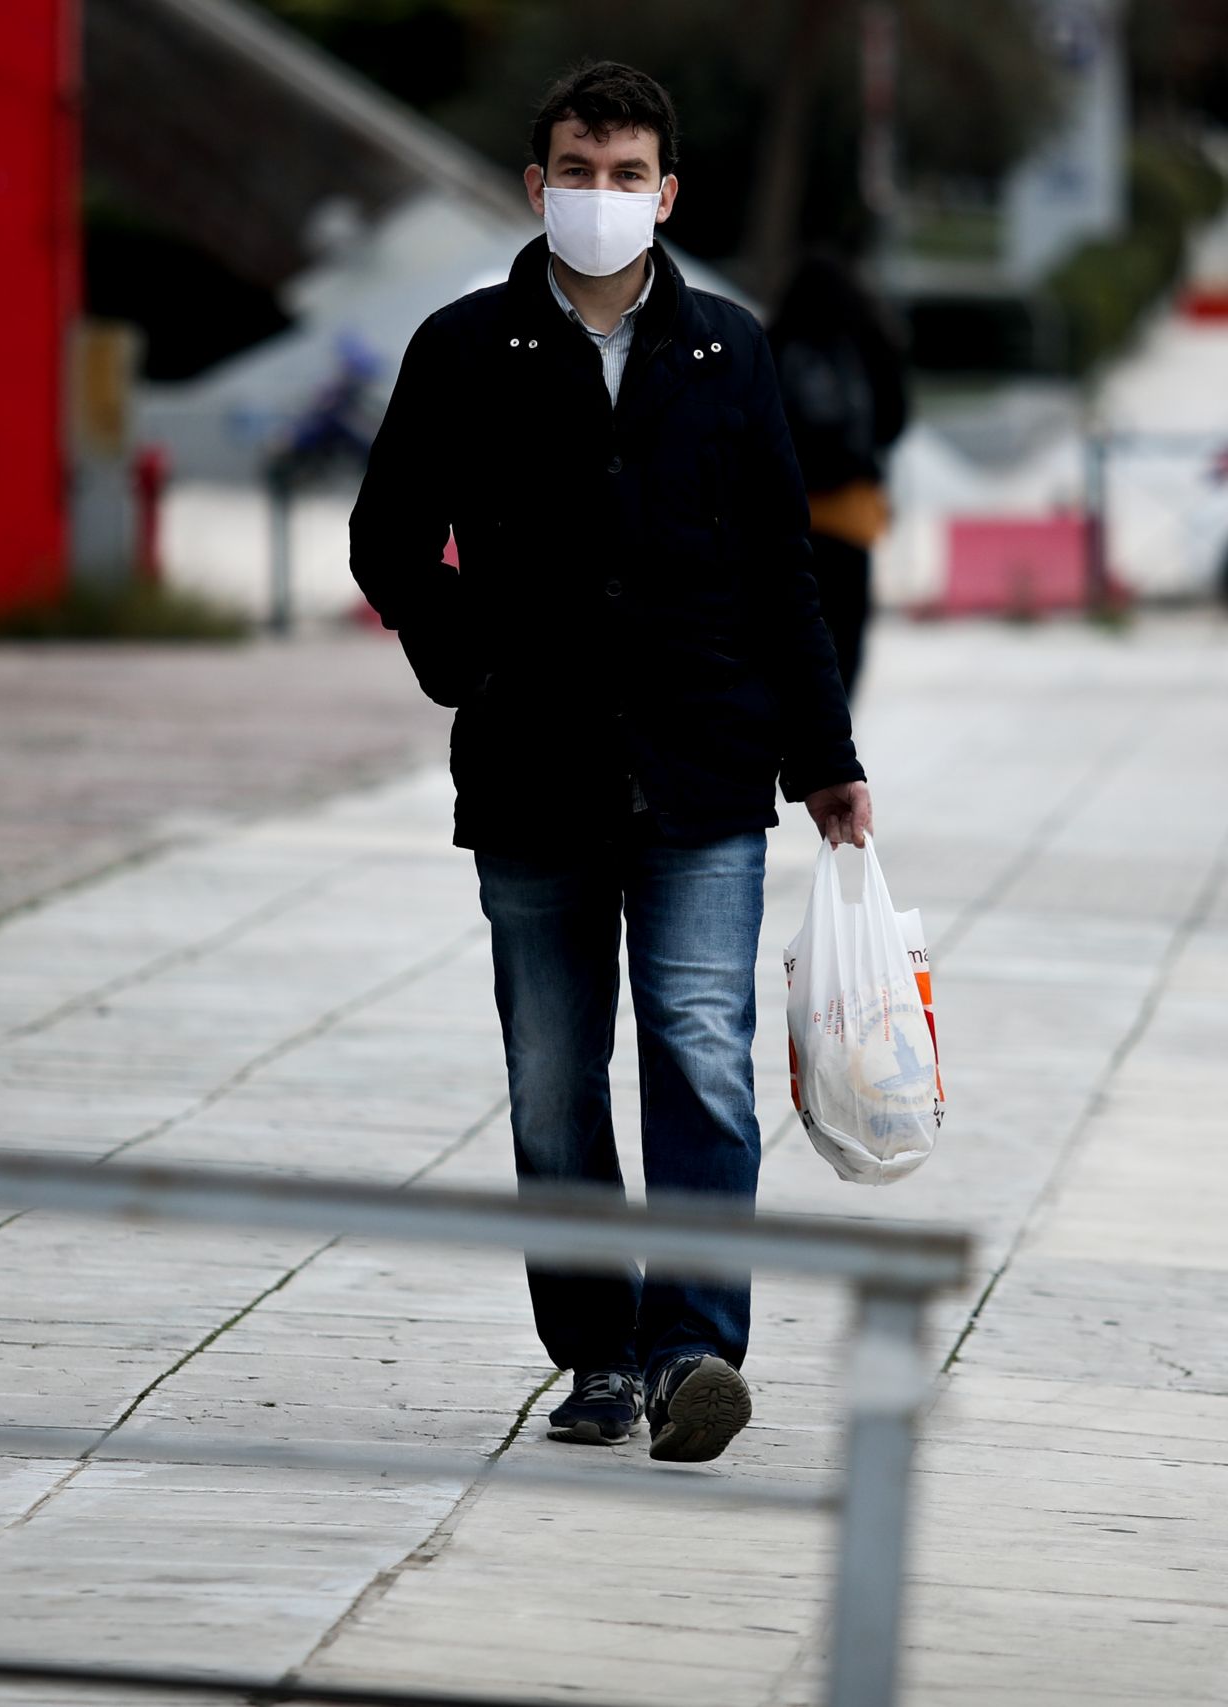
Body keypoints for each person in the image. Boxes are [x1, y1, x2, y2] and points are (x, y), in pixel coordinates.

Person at [349, 61, 872, 1462]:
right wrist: (466, 656)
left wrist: (825, 753)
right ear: (536, 186)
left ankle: (694, 1343)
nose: (600, 197)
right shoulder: (464, 348)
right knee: (552, 1077)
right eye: (577, 171)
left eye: (626, 173)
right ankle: (596, 1349)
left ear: (667, 193)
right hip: (531, 774)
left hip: (701, 767)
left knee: (701, 1049)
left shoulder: (730, 353)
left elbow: (783, 568)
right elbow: (387, 538)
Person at [766, 253, 908, 697]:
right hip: (851, 516)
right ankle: (834, 734)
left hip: (785, 519)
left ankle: (788, 732)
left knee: (786, 636)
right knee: (845, 638)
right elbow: (894, 421)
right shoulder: (867, 339)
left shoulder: (774, 339)